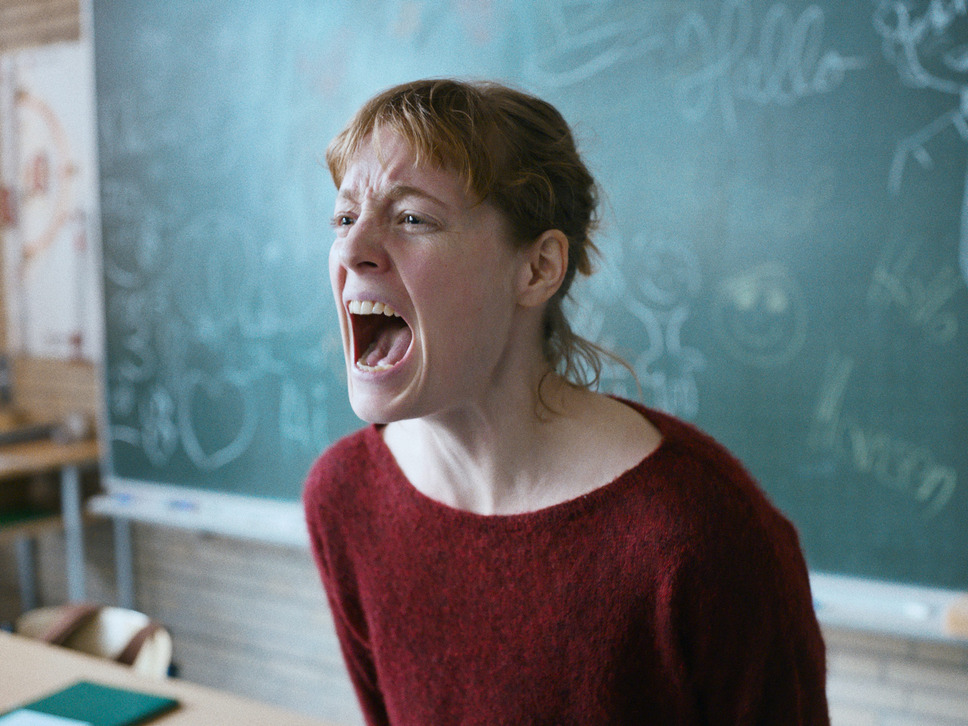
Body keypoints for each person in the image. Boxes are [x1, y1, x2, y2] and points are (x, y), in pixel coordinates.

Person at [303, 78, 829, 725]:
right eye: (345, 218)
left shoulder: (706, 535)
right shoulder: (344, 496)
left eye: (412, 218)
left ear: (538, 269)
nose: (352, 250)